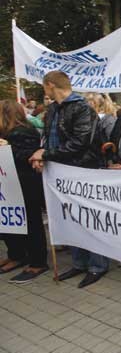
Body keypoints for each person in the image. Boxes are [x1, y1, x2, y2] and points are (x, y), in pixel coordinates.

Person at [29, 71, 109, 287]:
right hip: (60, 171)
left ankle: (97, 265)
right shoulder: (54, 108)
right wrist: (42, 154)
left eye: (44, 86)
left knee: (88, 219)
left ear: (50, 85)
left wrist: (45, 155)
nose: (43, 90)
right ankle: (79, 262)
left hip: (81, 170)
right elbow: (49, 138)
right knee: (68, 218)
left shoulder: (82, 108)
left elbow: (80, 142)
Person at [0, 100, 48, 283]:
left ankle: (38, 261)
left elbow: (29, 156)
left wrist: (7, 149)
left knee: (31, 222)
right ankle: (16, 255)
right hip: (8, 185)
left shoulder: (24, 131)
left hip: (26, 185)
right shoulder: (6, 132)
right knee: (10, 222)